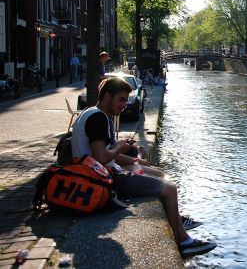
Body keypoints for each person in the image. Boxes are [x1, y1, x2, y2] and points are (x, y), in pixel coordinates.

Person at [71, 77, 216, 257]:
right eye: (121, 99)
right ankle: (184, 241)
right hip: (108, 178)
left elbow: (102, 154)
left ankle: (177, 221)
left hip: (102, 172)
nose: (125, 105)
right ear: (107, 96)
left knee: (159, 175)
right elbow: (101, 157)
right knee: (170, 190)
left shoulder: (91, 113)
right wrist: (120, 147)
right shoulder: (98, 118)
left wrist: (132, 160)